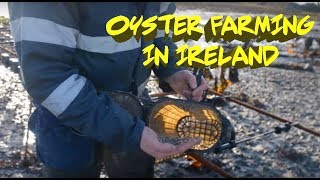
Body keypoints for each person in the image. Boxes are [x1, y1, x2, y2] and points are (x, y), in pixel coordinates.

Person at [8, 2, 208, 178]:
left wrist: (173, 70)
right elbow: (47, 77)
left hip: (133, 110)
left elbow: (157, 34)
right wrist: (129, 132)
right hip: (66, 119)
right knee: (71, 168)